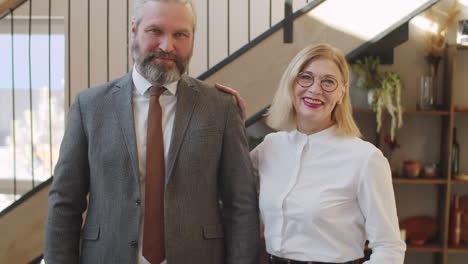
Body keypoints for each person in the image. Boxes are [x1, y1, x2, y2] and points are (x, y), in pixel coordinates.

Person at [44, 0, 260, 263]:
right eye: (155, 31)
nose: (167, 46)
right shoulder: (89, 107)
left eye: (180, 34)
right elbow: (65, 202)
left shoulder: (221, 107)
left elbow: (241, 205)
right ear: (134, 31)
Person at [218, 43, 406, 263]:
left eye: (328, 82)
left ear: (341, 92)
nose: (315, 89)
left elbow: (389, 248)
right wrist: (230, 124)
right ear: (292, 84)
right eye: (306, 77)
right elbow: (225, 186)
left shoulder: (365, 159)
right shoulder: (270, 147)